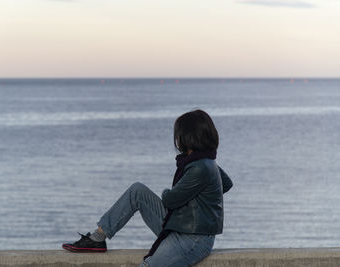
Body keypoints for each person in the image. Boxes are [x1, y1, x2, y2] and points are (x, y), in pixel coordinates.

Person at [62, 109, 233, 267]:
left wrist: (171, 191)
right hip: (182, 226)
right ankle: (98, 238)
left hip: (192, 239)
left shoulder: (200, 167)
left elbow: (170, 200)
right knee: (137, 191)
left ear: (187, 137)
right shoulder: (207, 162)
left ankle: (98, 239)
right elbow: (226, 184)